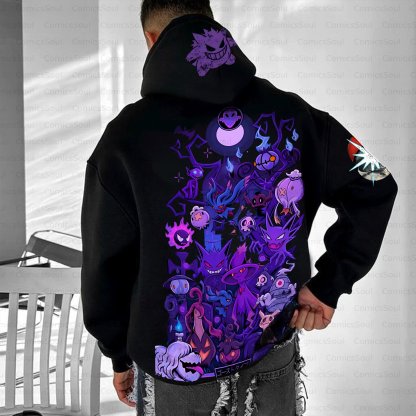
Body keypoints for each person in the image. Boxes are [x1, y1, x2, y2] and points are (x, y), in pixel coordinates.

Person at [79, 1, 399, 415]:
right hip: (271, 348)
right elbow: (374, 179)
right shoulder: (293, 112)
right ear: (211, 24)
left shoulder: (125, 138)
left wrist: (118, 352)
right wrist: (328, 285)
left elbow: (105, 260)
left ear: (152, 40)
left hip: (175, 369)